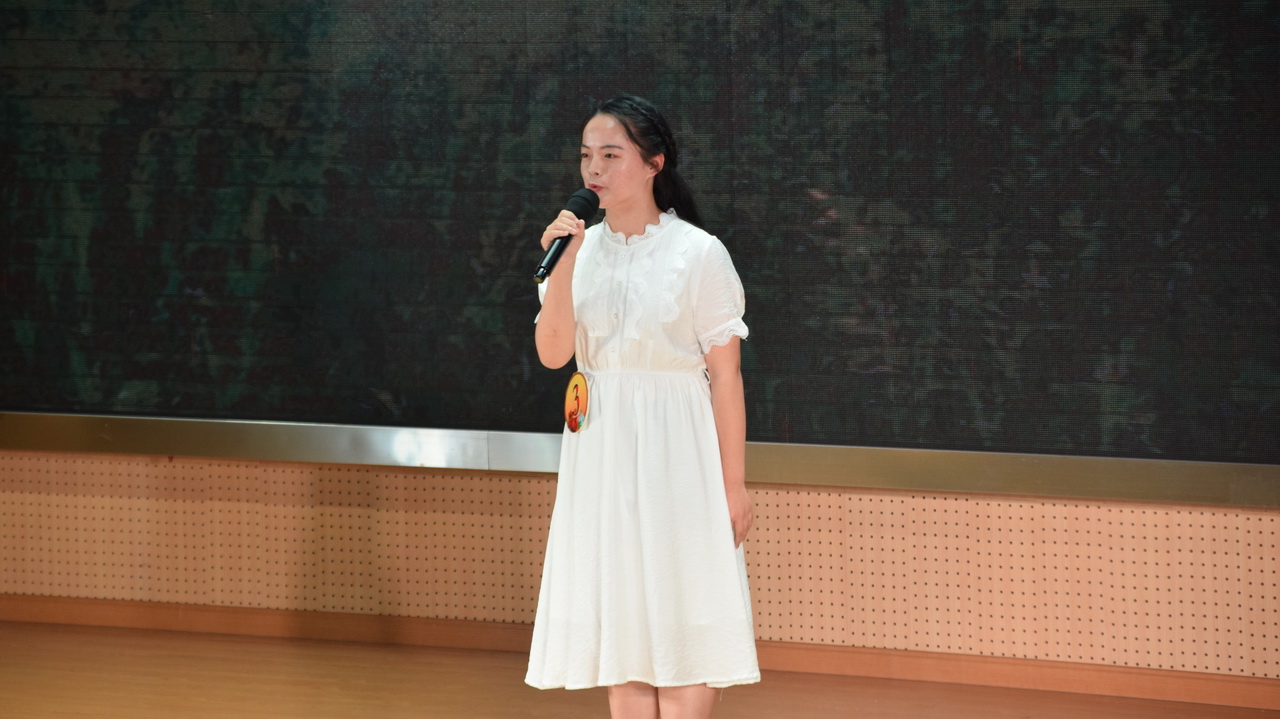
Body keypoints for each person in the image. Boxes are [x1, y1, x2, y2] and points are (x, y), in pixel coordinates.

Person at [525, 93, 760, 719]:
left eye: (611, 155)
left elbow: (726, 376)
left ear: (655, 163)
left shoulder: (698, 253)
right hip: (601, 450)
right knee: (622, 615)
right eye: (586, 156)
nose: (593, 170)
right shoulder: (574, 252)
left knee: (685, 606)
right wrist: (564, 266)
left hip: (678, 452)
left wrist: (732, 485)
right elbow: (553, 354)